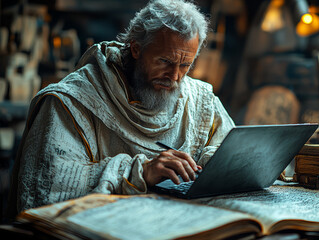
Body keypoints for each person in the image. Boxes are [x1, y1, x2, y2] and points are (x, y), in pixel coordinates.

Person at [7, 0, 235, 219]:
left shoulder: (199, 99)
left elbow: (229, 147)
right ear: (136, 49)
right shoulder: (72, 101)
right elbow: (46, 189)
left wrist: (213, 162)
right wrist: (141, 172)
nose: (175, 76)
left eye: (185, 65)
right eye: (165, 61)